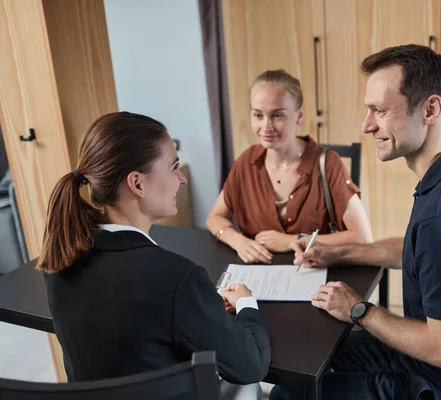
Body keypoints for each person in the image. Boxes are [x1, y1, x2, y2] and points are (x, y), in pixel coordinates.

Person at [271, 45, 441, 399]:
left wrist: (359, 309)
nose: (367, 125)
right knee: (316, 362)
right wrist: (337, 254)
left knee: (288, 394)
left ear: (431, 109)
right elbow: (419, 252)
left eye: (380, 110)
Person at [37, 112, 271, 399]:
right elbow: (251, 365)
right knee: (246, 386)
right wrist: (247, 304)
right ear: (137, 183)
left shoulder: (59, 260)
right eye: (173, 167)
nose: (182, 179)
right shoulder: (177, 278)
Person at [206, 69, 372, 264]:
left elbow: (362, 237)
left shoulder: (327, 163)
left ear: (299, 115)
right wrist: (238, 241)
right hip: (260, 277)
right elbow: (215, 217)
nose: (266, 126)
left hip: (314, 273)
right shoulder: (246, 162)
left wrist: (292, 241)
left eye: (277, 116)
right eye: (258, 115)